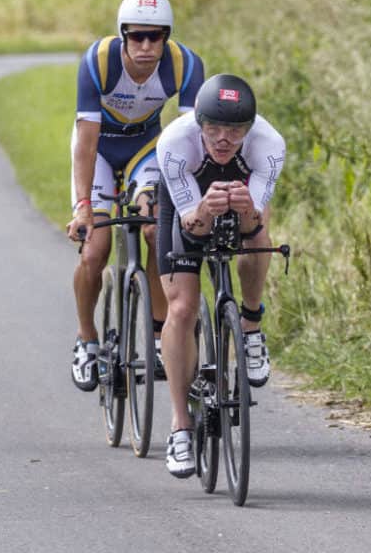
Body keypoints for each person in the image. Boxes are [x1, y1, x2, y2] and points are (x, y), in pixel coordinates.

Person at [64, 0, 205, 392]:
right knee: (95, 248)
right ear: (123, 35)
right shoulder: (98, 61)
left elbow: (189, 139)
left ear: (167, 36)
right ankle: (86, 339)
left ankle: (161, 334)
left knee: (154, 228)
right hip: (100, 151)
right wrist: (84, 207)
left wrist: (179, 197)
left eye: (155, 36)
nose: (146, 46)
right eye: (137, 36)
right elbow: (86, 142)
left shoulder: (185, 64)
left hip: (147, 147)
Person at [155, 74, 286, 477]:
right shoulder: (176, 145)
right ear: (199, 123)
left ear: (249, 129)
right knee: (182, 308)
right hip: (189, 208)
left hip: (240, 203)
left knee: (259, 235)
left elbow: (253, 227)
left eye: (234, 130)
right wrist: (206, 211)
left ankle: (250, 326)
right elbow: (190, 227)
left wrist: (247, 210)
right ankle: (180, 425)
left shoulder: (269, 146)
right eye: (213, 128)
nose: (224, 139)